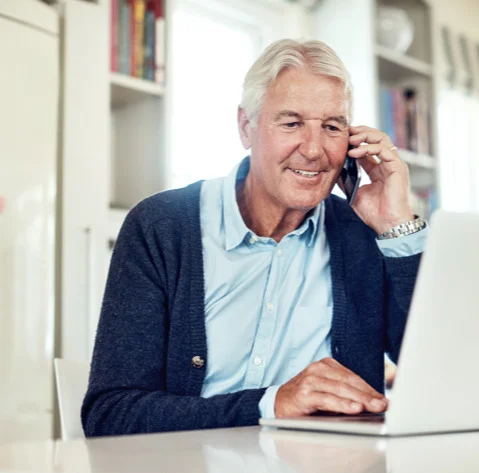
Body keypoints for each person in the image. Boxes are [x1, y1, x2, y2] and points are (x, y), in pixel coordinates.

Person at [82, 39, 427, 436]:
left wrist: (397, 226)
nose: (314, 150)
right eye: (292, 122)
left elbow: (443, 376)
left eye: (332, 126)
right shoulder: (161, 226)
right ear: (246, 127)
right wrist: (273, 403)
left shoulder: (363, 234)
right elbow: (110, 415)